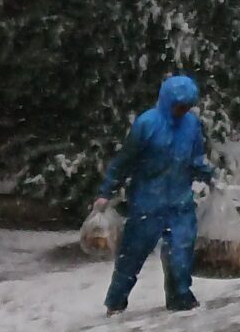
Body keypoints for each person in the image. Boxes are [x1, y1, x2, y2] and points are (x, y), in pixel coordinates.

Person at [92, 73, 216, 316]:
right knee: (133, 254)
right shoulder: (146, 124)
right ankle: (116, 301)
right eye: (180, 105)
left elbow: (195, 158)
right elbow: (124, 161)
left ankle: (180, 298)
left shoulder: (191, 125)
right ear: (168, 101)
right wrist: (106, 191)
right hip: (147, 202)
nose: (184, 110)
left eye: (188, 106)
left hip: (180, 201)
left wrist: (207, 175)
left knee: (181, 251)